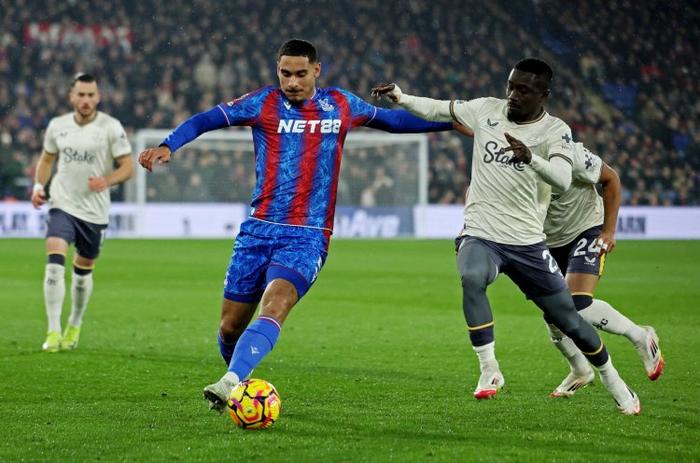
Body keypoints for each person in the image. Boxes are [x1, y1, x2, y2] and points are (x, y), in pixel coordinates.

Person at [137, 39, 456, 412]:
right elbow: (206, 119)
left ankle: (230, 382)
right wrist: (169, 144)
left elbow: (393, 120)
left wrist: (452, 121)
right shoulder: (263, 103)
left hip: (308, 235)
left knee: (275, 304)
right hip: (258, 230)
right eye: (285, 74)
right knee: (229, 327)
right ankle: (238, 376)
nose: (291, 82)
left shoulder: (340, 103)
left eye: (300, 74)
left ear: (316, 70)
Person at [372, 58, 640, 414]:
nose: (513, 95)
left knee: (569, 319)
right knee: (472, 277)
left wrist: (531, 158)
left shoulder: (555, 131)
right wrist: (402, 97)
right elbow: (438, 109)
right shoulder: (487, 109)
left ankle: (613, 379)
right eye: (511, 86)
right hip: (482, 232)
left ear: (543, 95)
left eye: (523, 90)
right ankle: (490, 369)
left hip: (527, 241)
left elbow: (562, 179)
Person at [543, 142, 664, 397]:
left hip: (587, 228)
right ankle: (580, 369)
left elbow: (611, 179)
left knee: (578, 302)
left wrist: (608, 231)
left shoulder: (569, 153)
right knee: (552, 313)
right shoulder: (512, 161)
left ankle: (640, 336)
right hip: (549, 239)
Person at [32, 73, 134, 352]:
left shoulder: (110, 127)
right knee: (54, 260)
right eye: (81, 94)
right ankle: (53, 331)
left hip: (94, 212)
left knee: (82, 272)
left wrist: (107, 180)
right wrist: (39, 186)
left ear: (98, 97)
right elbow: (46, 159)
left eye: (91, 95)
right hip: (62, 203)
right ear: (72, 97)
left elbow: (128, 167)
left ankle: (74, 323)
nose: (86, 100)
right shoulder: (58, 126)